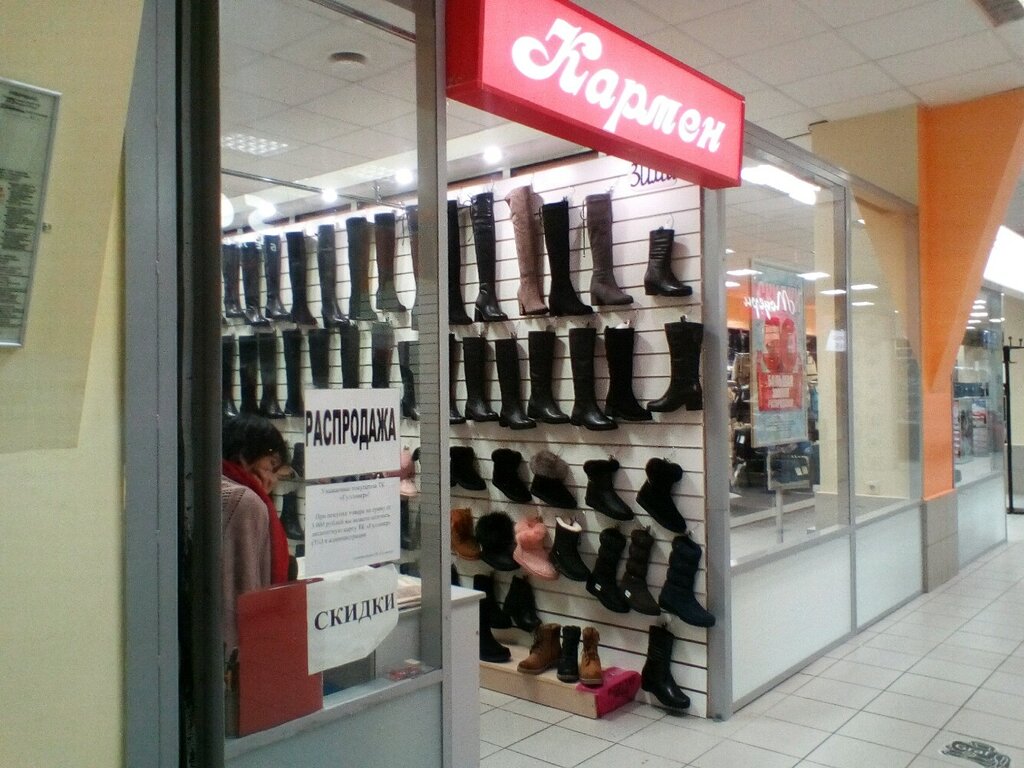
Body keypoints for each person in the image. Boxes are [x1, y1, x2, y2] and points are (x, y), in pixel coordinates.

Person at [221, 413, 292, 652]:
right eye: (270, 466)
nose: (272, 480)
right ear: (244, 454)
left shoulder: (207, 482)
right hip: (237, 647)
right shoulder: (245, 502)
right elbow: (246, 590)